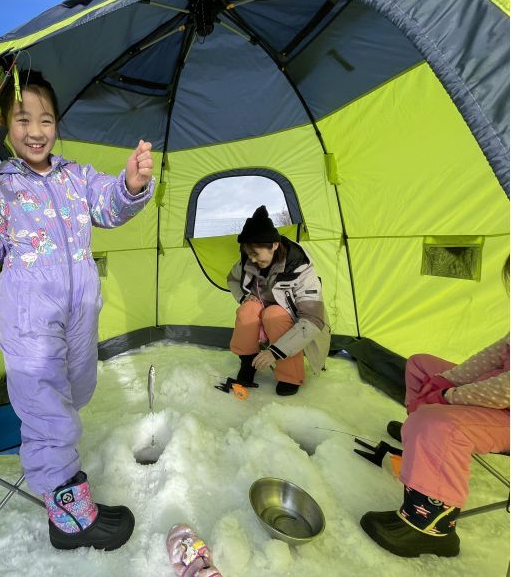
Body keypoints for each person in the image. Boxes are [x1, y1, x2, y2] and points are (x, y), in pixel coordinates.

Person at [0, 69, 154, 551]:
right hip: (30, 318)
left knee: (76, 389)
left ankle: (55, 458)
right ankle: (69, 516)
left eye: (45, 119)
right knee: (49, 412)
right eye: (23, 120)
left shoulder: (75, 176)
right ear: (5, 125)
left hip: (79, 311)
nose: (36, 131)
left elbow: (109, 206)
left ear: (57, 124)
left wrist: (130, 182)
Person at [361, 257, 510, 558]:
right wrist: (443, 382)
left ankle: (430, 529)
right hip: (496, 391)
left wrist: (450, 397)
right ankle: (423, 444)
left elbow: (505, 389)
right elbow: (493, 358)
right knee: (420, 366)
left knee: (436, 423)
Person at [216, 205, 329, 396]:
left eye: (256, 254)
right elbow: (232, 279)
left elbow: (312, 320)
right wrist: (243, 297)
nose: (251, 260)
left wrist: (275, 352)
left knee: (274, 314)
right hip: (261, 312)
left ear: (274, 245)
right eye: (248, 254)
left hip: (290, 322)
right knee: (247, 310)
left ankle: (290, 375)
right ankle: (248, 364)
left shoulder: (300, 267)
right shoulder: (247, 260)